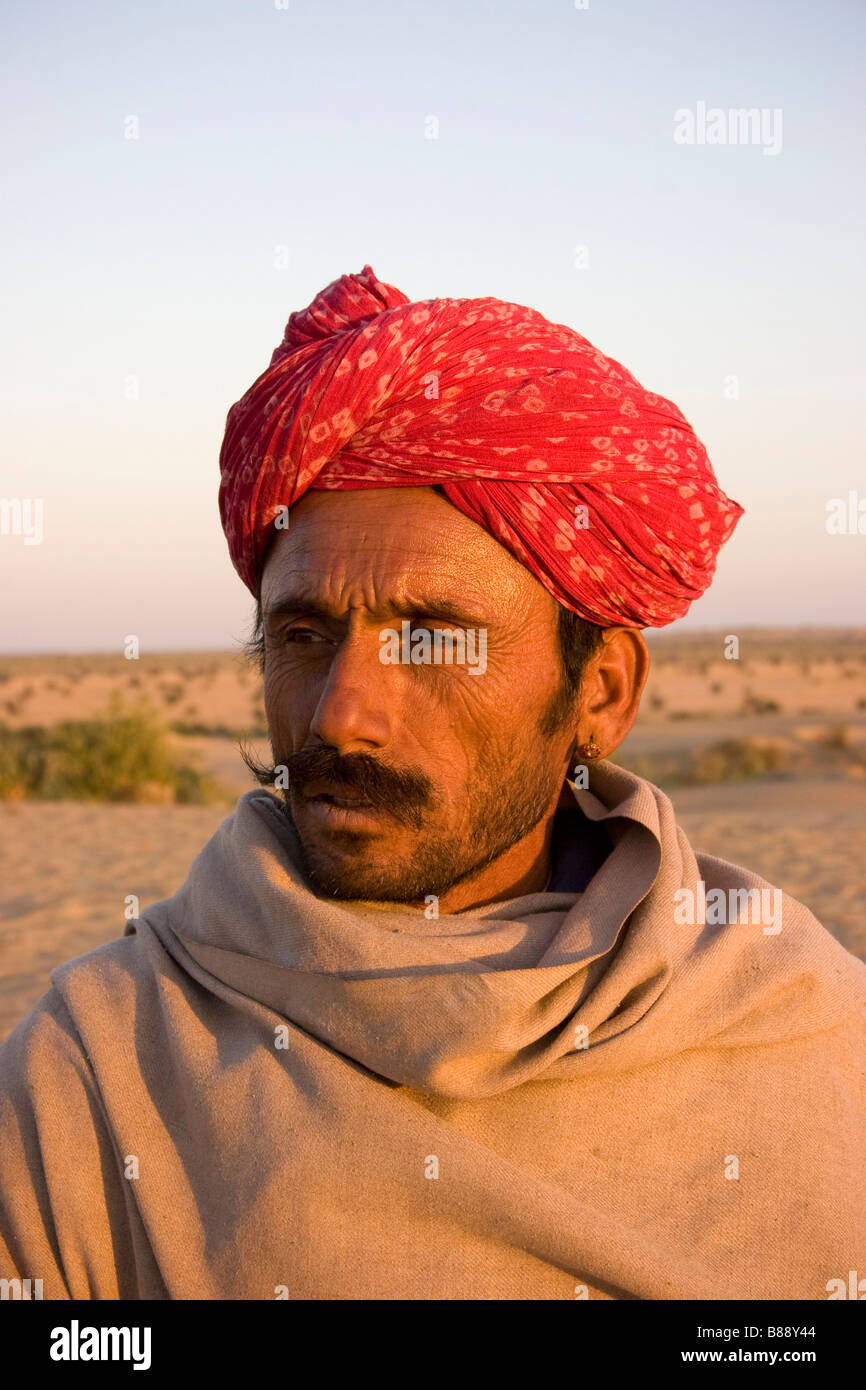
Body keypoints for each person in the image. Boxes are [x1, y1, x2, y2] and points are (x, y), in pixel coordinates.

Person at [0, 266, 863, 1301]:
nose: (337, 715)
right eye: (303, 635)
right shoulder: (102, 1059)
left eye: (431, 639)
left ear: (600, 690)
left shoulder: (800, 1031)